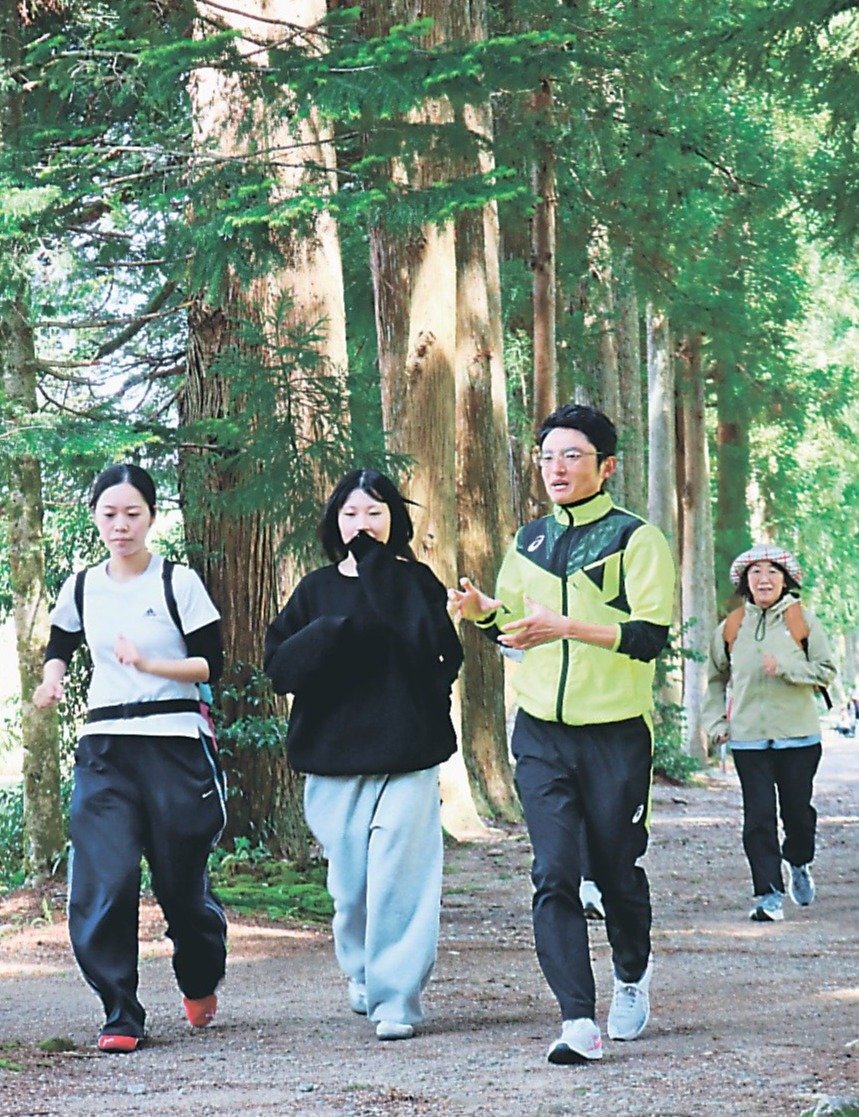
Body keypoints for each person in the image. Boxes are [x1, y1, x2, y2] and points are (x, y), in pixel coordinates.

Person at [449, 403, 674, 1065]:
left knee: (615, 872)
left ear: (605, 466)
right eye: (548, 455)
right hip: (541, 732)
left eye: (572, 455)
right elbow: (517, 634)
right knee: (553, 872)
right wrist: (485, 614)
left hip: (615, 735)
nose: (556, 467)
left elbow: (647, 637)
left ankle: (630, 972)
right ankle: (577, 1018)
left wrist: (570, 626)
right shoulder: (529, 542)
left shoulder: (636, 540)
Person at [32, 464, 227, 1053]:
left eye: (132, 514)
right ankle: (120, 1012)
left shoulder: (178, 581)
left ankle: (198, 974)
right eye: (109, 514)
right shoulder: (83, 585)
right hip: (104, 749)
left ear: (151, 517)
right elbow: (60, 641)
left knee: (180, 886)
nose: (120, 526)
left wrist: (148, 664)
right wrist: (52, 680)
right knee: (104, 880)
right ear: (95, 516)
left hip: (174, 744)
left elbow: (208, 664)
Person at [263, 468, 463, 1041]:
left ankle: (396, 998)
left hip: (407, 756)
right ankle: (361, 970)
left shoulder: (417, 582)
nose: (362, 524)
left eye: (375, 513)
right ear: (334, 522)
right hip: (332, 760)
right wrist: (331, 631)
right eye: (351, 513)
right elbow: (279, 668)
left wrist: (381, 574)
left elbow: (442, 657)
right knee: (350, 888)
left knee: (401, 881)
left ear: (394, 522)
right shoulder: (315, 590)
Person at [703, 544, 836, 923]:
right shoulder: (731, 627)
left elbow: (826, 670)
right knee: (757, 818)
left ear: (786, 580)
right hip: (748, 740)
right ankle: (767, 894)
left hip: (799, 737)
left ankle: (798, 861)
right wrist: (716, 724)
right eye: (756, 572)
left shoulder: (802, 622)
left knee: (797, 814)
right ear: (745, 582)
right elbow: (714, 680)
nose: (764, 579)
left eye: (772, 572)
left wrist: (787, 668)